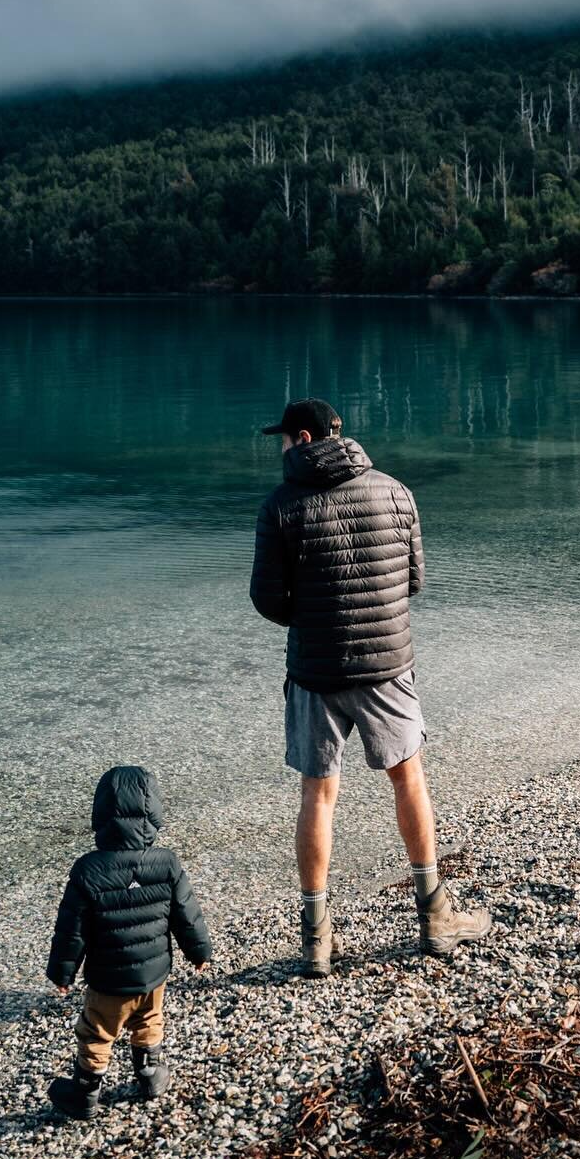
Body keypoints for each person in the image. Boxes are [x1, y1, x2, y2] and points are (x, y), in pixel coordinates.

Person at [250, 398, 491, 977]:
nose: (281, 448)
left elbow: (266, 599)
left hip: (315, 671)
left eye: (283, 439)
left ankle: (316, 940)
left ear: (302, 437)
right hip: (387, 665)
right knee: (408, 780)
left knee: (318, 793)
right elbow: (413, 578)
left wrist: (312, 621)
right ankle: (435, 918)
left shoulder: (282, 504)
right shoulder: (394, 490)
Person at [45, 764, 212, 1120]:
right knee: (150, 1019)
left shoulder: (88, 869)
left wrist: (63, 974)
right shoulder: (166, 863)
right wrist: (200, 953)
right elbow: (187, 913)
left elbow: (71, 930)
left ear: (100, 815)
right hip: (154, 973)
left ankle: (85, 1094)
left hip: (109, 980)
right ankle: (150, 1077)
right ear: (154, 814)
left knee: (97, 1032)